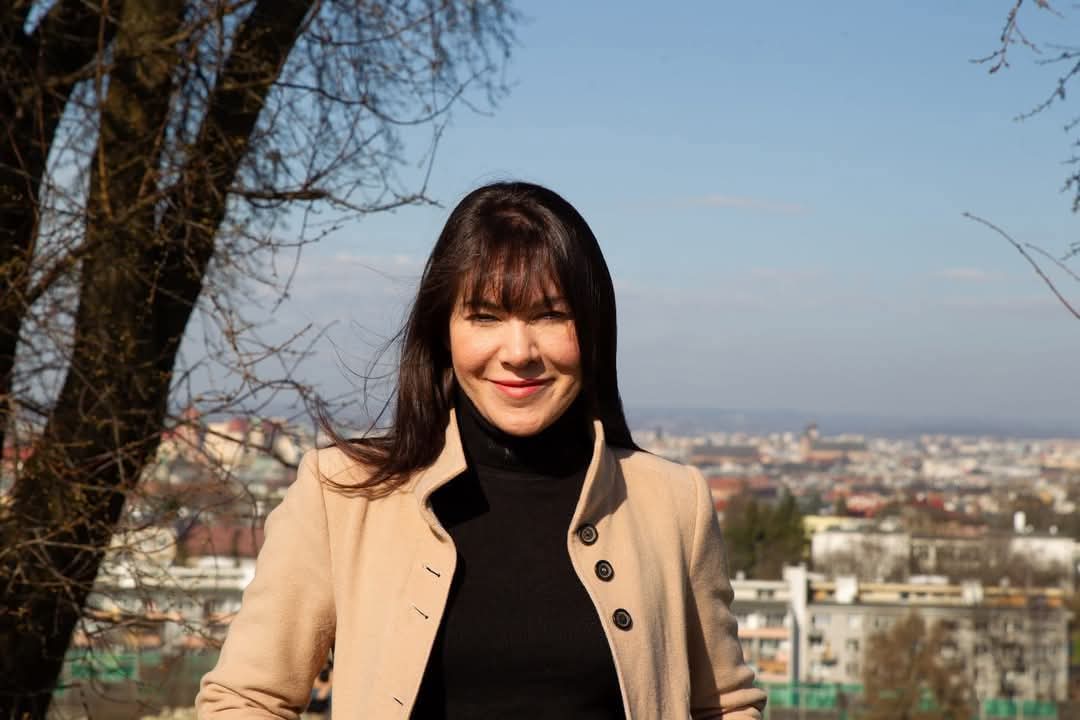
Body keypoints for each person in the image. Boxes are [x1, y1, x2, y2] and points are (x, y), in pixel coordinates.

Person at [196, 181, 766, 719]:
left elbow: (725, 704)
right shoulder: (342, 495)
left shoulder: (673, 503)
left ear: (594, 328)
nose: (519, 352)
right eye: (486, 316)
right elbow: (245, 698)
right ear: (442, 331)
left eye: (550, 314)